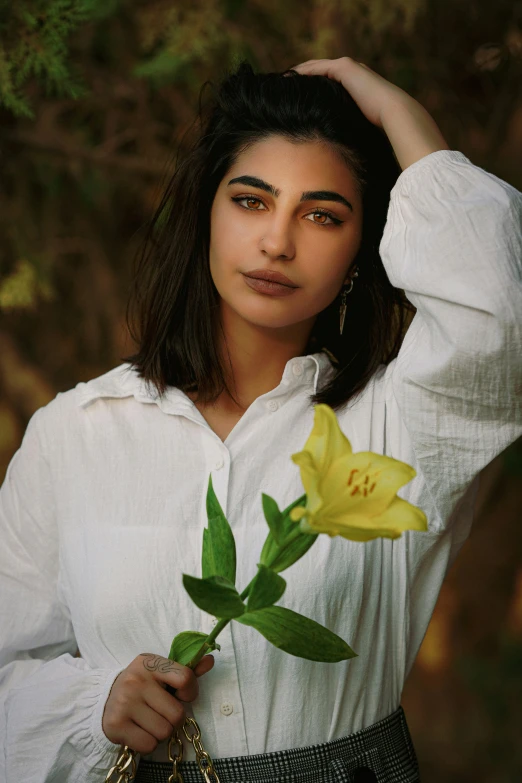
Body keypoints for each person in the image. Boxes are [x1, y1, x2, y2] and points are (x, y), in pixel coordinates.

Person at [0, 57, 521, 783]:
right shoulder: (75, 434)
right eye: (251, 201)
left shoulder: (402, 422)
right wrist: (96, 705)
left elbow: (500, 320)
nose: (278, 241)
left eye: (322, 214)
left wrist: (402, 116)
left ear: (357, 253)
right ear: (206, 214)